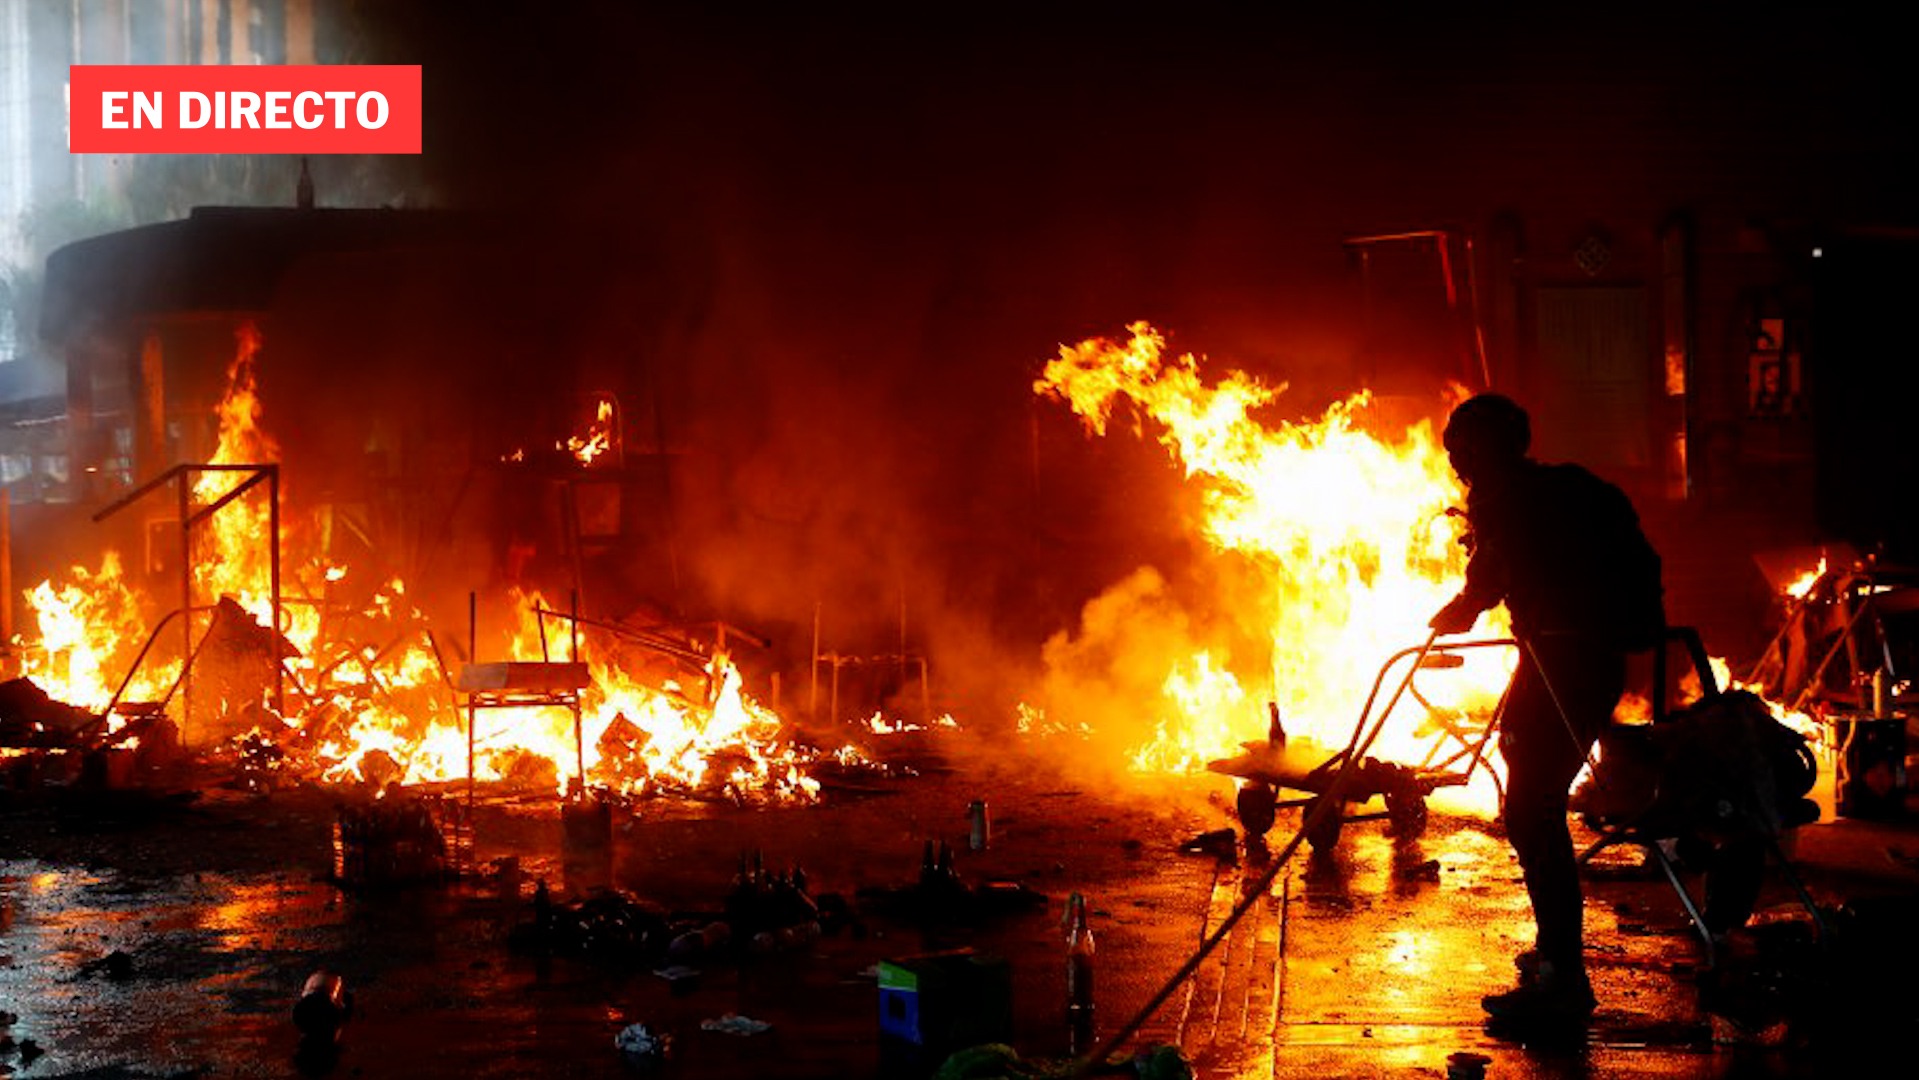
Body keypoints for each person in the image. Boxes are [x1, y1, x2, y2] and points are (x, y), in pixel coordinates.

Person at [1428, 393, 1665, 1027]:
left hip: (1562, 661)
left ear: (1483, 449)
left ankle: (1563, 976)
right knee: (1534, 801)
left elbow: (1492, 573)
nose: (1454, 461)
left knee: (1531, 809)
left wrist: (1460, 608)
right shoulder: (1575, 486)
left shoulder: (1505, 496)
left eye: (1459, 447)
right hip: (1592, 660)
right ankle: (1555, 955)